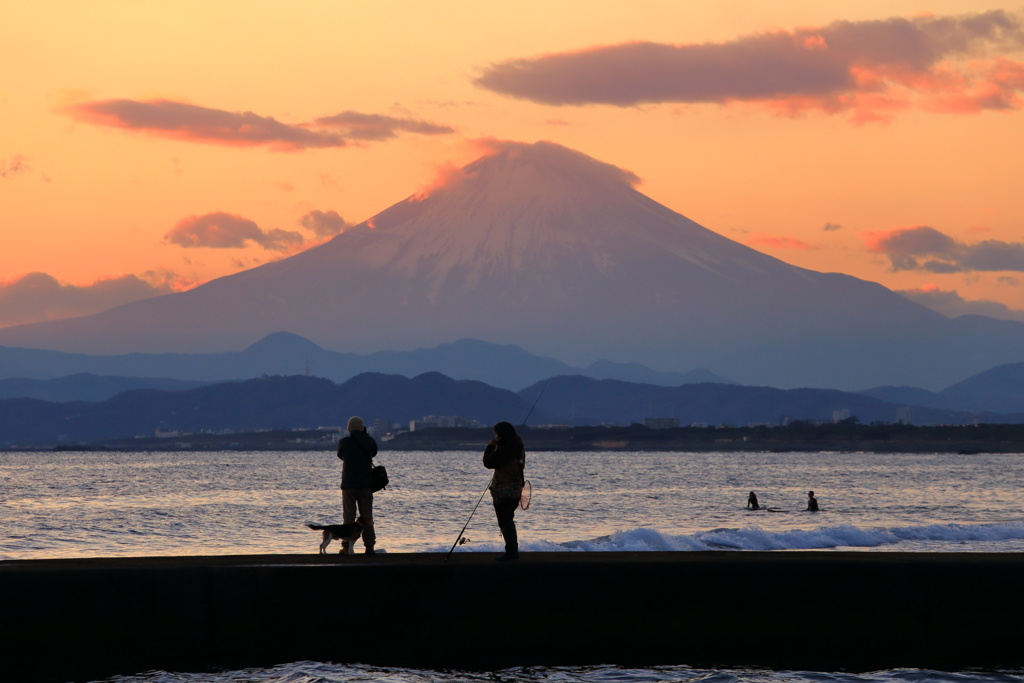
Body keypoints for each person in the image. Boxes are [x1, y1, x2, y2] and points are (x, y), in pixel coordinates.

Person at [483, 421, 526, 561]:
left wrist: (490, 446)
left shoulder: (506, 449)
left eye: (496, 434)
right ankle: (512, 551)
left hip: (504, 490)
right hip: (515, 489)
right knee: (508, 519)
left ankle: (511, 552)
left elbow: (488, 462)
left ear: (501, 434)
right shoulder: (517, 446)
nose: (495, 436)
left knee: (505, 520)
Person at [337, 416, 379, 553]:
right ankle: (370, 546)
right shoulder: (370, 441)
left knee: (348, 516)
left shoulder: (343, 442)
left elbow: (341, 456)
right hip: (366, 484)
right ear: (362, 428)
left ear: (349, 428)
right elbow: (373, 453)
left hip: (348, 485)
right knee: (367, 516)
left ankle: (346, 546)